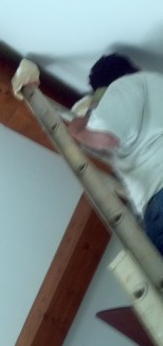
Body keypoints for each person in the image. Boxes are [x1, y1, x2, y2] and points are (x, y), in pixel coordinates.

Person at [67, 53, 163, 255]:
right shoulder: (156, 82)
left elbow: (105, 138)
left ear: (102, 90)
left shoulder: (122, 87)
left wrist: (76, 128)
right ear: (135, 67)